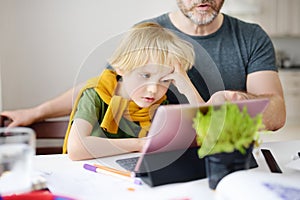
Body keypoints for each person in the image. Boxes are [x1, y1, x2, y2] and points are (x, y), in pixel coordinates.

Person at [1, 0, 286, 132]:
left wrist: (236, 101)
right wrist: (35, 112)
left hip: (228, 155)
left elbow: (275, 115)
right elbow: (104, 87)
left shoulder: (250, 36)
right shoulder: (148, 32)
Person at [64, 22, 203, 160]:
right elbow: (76, 148)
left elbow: (210, 135)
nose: (153, 89)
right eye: (145, 75)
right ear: (122, 69)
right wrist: (139, 144)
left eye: (165, 80)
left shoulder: (161, 105)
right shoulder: (96, 95)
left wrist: (189, 89)